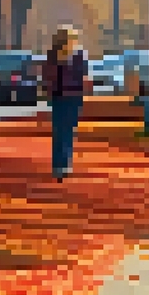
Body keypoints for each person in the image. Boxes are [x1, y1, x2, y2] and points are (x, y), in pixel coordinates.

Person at [45, 25, 89, 181]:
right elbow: (82, 75)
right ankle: (64, 164)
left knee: (59, 130)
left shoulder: (53, 55)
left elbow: (48, 76)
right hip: (71, 95)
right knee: (67, 130)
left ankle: (59, 165)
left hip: (60, 96)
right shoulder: (77, 55)